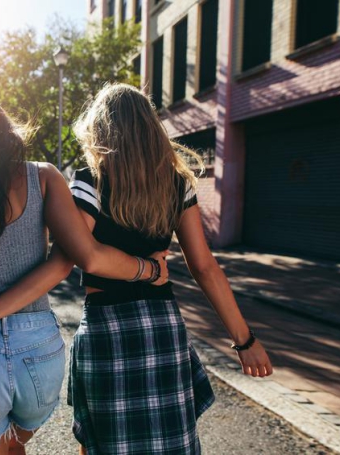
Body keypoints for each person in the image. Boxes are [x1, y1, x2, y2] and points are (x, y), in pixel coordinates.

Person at [0, 100, 169, 455]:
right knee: (12, 446)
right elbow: (67, 261)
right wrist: (151, 269)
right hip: (40, 354)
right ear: (9, 133)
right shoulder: (43, 176)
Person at [66, 83, 273, 455]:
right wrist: (245, 341)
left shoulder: (89, 180)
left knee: (101, 443)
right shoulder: (176, 184)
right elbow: (205, 267)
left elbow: (87, 255)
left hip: (106, 331)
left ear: (99, 130)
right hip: (163, 330)